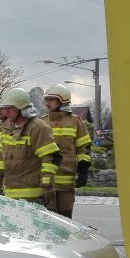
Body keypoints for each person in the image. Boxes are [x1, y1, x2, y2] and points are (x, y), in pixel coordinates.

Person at [0, 87, 61, 211]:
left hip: (32, 200)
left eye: (10, 108)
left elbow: (50, 159)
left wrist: (47, 188)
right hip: (8, 197)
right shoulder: (7, 128)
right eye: (4, 108)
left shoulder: (38, 128)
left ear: (21, 107)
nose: (6, 112)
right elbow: (1, 161)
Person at [41, 83, 92, 218]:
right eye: (46, 100)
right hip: (45, 182)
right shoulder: (40, 122)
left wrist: (83, 170)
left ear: (62, 100)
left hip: (66, 182)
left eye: (51, 99)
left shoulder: (75, 122)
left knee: (65, 220)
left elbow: (84, 147)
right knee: (47, 221)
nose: (47, 103)